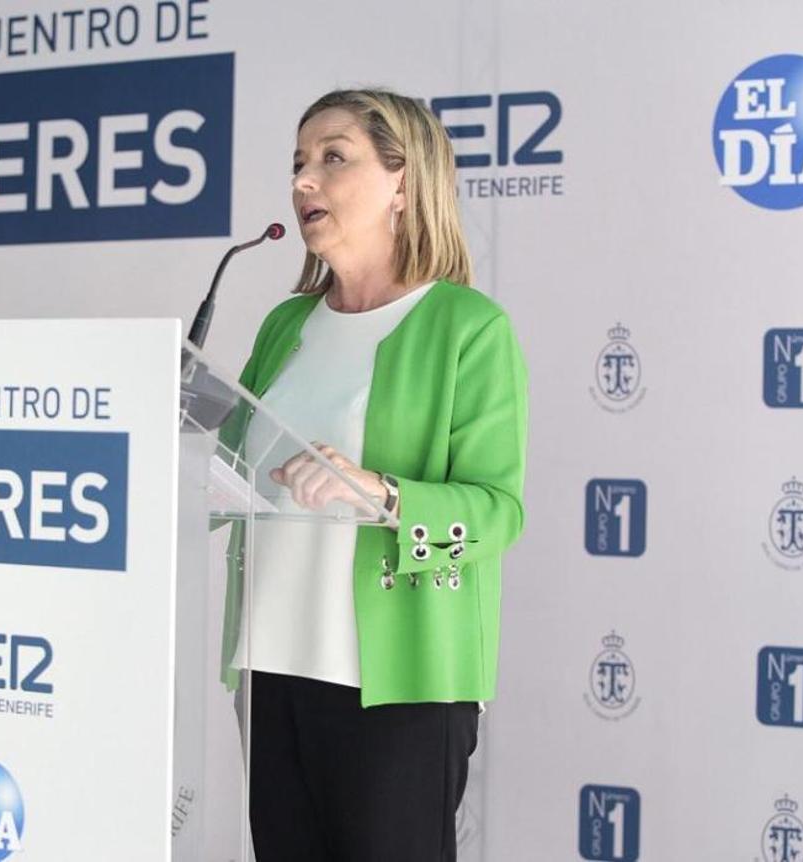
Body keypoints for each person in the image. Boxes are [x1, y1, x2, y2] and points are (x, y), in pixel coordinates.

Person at [216, 88, 529, 862]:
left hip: (396, 680)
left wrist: (382, 494)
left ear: (403, 183)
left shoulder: (467, 327)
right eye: (298, 162)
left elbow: (498, 511)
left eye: (333, 158)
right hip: (271, 663)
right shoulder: (286, 324)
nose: (304, 181)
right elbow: (226, 461)